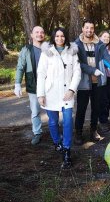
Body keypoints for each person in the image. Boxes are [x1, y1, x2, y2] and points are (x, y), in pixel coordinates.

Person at [74, 20, 110, 145]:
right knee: (81, 109)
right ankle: (78, 133)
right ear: (82, 29)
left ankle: (93, 131)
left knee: (96, 108)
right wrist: (92, 70)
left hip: (97, 83)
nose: (89, 30)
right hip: (83, 83)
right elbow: (78, 63)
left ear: (94, 29)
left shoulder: (99, 44)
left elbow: (108, 59)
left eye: (91, 28)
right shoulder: (76, 44)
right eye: (86, 28)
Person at [37, 27, 81, 169]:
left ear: (65, 37)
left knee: (68, 121)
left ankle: (67, 150)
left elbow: (77, 73)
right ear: (53, 38)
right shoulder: (47, 53)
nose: (60, 38)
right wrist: (41, 94)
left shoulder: (72, 52)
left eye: (62, 36)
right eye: (57, 36)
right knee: (53, 122)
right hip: (51, 94)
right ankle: (57, 142)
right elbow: (41, 74)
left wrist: (71, 89)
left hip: (67, 94)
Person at [14, 26, 45, 145]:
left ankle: (55, 131)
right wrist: (17, 84)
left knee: (53, 109)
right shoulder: (26, 49)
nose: (39, 34)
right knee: (35, 111)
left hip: (49, 85)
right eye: (36, 32)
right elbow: (20, 67)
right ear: (31, 35)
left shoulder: (48, 48)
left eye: (42, 32)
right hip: (34, 85)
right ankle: (37, 132)